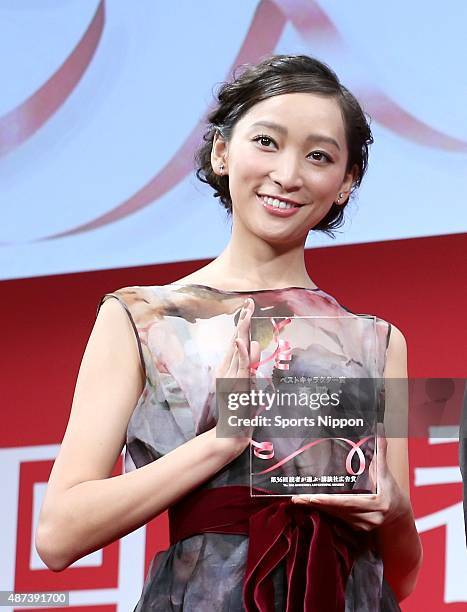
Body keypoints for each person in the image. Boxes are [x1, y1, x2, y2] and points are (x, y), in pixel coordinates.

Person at [35, 54, 422, 610]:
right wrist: (222, 442)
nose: (288, 175)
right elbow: (58, 536)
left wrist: (397, 511)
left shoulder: (376, 342)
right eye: (267, 141)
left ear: (344, 183)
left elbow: (401, 579)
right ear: (221, 151)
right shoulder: (141, 317)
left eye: (319, 156)